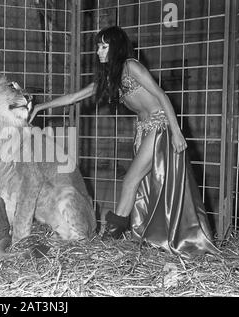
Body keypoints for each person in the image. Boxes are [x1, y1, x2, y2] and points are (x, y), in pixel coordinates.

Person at [29, 26, 219, 257]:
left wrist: (177, 131)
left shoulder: (131, 66)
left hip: (161, 126)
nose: (99, 51)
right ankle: (141, 236)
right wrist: (41, 106)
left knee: (130, 180)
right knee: (143, 185)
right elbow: (74, 97)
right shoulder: (110, 77)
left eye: (104, 46)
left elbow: (161, 95)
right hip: (145, 129)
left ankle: (112, 236)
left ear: (116, 47)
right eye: (98, 46)